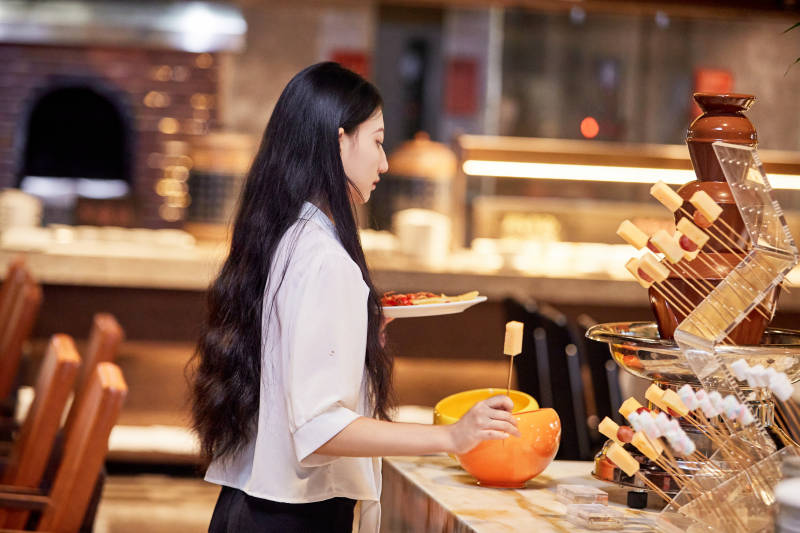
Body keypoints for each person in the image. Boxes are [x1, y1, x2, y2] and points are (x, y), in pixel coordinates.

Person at [189, 62, 519, 533]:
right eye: (378, 140)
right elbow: (321, 429)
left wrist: (357, 340)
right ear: (340, 140)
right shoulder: (324, 257)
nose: (384, 163)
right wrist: (452, 435)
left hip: (248, 506)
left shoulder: (286, 234)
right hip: (291, 518)